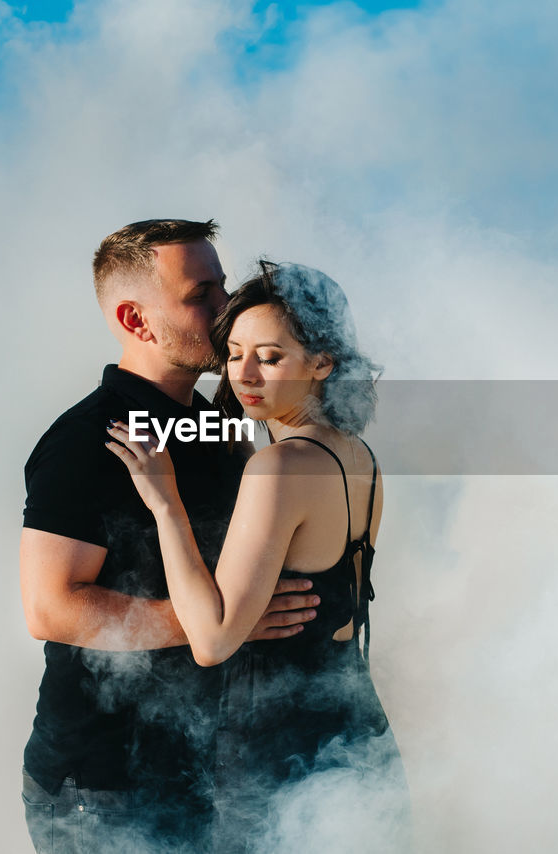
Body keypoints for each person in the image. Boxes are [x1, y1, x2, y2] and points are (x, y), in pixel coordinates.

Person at [18, 222, 321, 853]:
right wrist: (219, 623)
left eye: (224, 289)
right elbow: (50, 607)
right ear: (136, 319)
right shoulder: (87, 441)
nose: (223, 310)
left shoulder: (216, 419)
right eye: (200, 295)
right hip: (104, 792)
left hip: (209, 772)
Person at [105, 261, 411, 852]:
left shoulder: (280, 467)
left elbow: (214, 640)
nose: (243, 374)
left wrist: (166, 502)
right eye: (235, 351)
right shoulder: (357, 454)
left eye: (269, 358)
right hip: (355, 732)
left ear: (322, 363)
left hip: (279, 751)